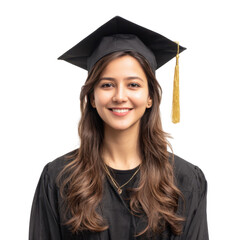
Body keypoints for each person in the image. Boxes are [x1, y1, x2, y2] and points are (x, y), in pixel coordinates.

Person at [29, 16, 208, 240]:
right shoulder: (58, 178)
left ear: (150, 96)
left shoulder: (185, 180)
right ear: (92, 97)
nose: (120, 96)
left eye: (133, 84)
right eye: (107, 85)